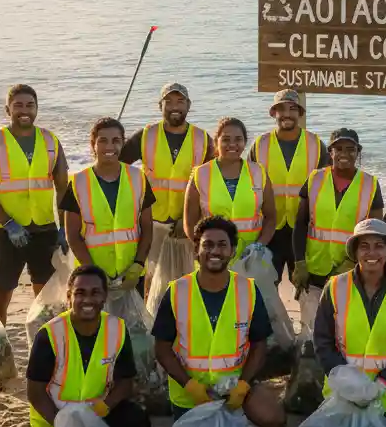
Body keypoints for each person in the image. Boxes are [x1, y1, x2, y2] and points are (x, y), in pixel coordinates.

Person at [151, 216, 286, 427]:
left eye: (222, 245)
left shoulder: (247, 289)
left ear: (232, 251)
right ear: (196, 251)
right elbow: (162, 349)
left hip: (235, 388)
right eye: (207, 245)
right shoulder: (177, 291)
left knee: (274, 419)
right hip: (191, 394)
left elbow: (260, 344)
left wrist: (244, 385)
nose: (215, 251)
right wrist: (190, 385)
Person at [312, 218, 386, 427]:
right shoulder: (334, 287)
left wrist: (383, 383)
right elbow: (322, 341)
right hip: (341, 395)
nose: (372, 253)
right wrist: (347, 383)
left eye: (379, 246)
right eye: (364, 246)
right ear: (354, 252)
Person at [26, 264, 151, 427]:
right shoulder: (49, 334)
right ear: (69, 297)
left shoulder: (117, 329)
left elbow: (125, 381)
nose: (87, 299)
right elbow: (35, 393)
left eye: (95, 293)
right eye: (80, 293)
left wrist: (104, 408)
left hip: (95, 414)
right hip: (54, 419)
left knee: (136, 420)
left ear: (104, 297)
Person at [0, 84, 68, 326]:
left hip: (44, 229)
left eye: (30, 105)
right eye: (18, 105)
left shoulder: (50, 141)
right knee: (1, 295)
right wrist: (9, 224)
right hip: (6, 232)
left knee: (45, 298)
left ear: (37, 108)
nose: (24, 110)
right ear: (7, 109)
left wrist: (64, 228)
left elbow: (63, 188)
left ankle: (45, 346)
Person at [120, 82, 213, 270]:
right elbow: (118, 167)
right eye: (168, 102)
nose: (175, 107)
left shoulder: (203, 139)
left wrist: (189, 220)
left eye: (180, 101)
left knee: (185, 276)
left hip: (187, 225)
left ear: (189, 105)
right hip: (151, 222)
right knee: (150, 276)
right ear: (160, 106)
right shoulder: (146, 135)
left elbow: (212, 184)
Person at [59, 118, 155, 297]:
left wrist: (138, 264)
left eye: (116, 141)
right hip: (92, 275)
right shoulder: (78, 182)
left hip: (131, 274)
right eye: (103, 141)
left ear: (123, 144)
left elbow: (147, 228)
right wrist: (93, 271)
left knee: (130, 325)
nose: (109, 146)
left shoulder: (139, 178)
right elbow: (72, 235)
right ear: (93, 145)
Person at [292, 128, 384, 293]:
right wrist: (299, 263)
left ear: (358, 152)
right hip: (314, 269)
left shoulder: (370, 184)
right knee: (312, 318)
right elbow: (300, 224)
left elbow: (376, 232)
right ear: (330, 152)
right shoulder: (315, 179)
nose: (344, 154)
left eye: (351, 149)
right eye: (339, 149)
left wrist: (351, 262)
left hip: (353, 270)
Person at [250, 89, 328, 282]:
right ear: (273, 113)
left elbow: (327, 187)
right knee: (265, 285)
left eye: (293, 108)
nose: (287, 114)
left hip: (303, 228)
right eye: (281, 109)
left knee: (304, 286)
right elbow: (248, 182)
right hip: (269, 228)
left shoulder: (316, 144)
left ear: (300, 113)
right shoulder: (260, 144)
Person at [183, 117, 276, 263]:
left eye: (238, 139)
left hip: (251, 260)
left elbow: (271, 218)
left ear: (245, 142)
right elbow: (189, 223)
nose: (232, 144)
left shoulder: (259, 173)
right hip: (212, 260)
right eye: (226, 139)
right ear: (216, 142)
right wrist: (205, 249)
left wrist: (259, 246)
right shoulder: (200, 174)